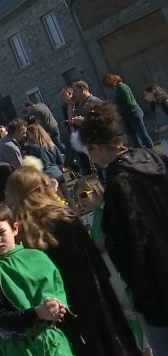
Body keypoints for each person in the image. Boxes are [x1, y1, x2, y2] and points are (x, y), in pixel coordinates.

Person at [5, 165, 141, 356]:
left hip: (56, 308)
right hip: (93, 296)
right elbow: (92, 260)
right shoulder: (62, 217)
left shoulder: (21, 234)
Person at [78, 101, 168, 354]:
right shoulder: (154, 157)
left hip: (157, 288)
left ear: (95, 147)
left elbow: (129, 243)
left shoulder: (119, 182)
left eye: (89, 151)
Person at [0, 202, 73, 356]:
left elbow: (58, 289)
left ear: (14, 228)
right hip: (18, 347)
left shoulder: (37, 256)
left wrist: (57, 307)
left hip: (53, 342)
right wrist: (36, 313)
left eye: (1, 232)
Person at [74, 176, 146, 349]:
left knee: (138, 318)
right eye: (77, 197)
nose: (80, 201)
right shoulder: (94, 217)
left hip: (123, 275)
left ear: (96, 190)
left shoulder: (109, 210)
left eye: (84, 194)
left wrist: (102, 244)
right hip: (112, 276)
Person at [102, 73, 153, 148]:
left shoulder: (122, 87)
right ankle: (139, 151)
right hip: (128, 115)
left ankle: (151, 151)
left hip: (133, 113)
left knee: (142, 135)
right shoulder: (118, 88)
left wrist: (118, 109)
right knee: (133, 136)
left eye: (107, 84)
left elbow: (129, 103)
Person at [25, 123, 70, 204]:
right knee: (68, 198)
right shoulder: (51, 144)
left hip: (47, 177)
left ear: (33, 134)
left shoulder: (34, 147)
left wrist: (26, 146)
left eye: (29, 134)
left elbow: (29, 162)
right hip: (58, 174)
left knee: (58, 202)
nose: (28, 137)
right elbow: (60, 160)